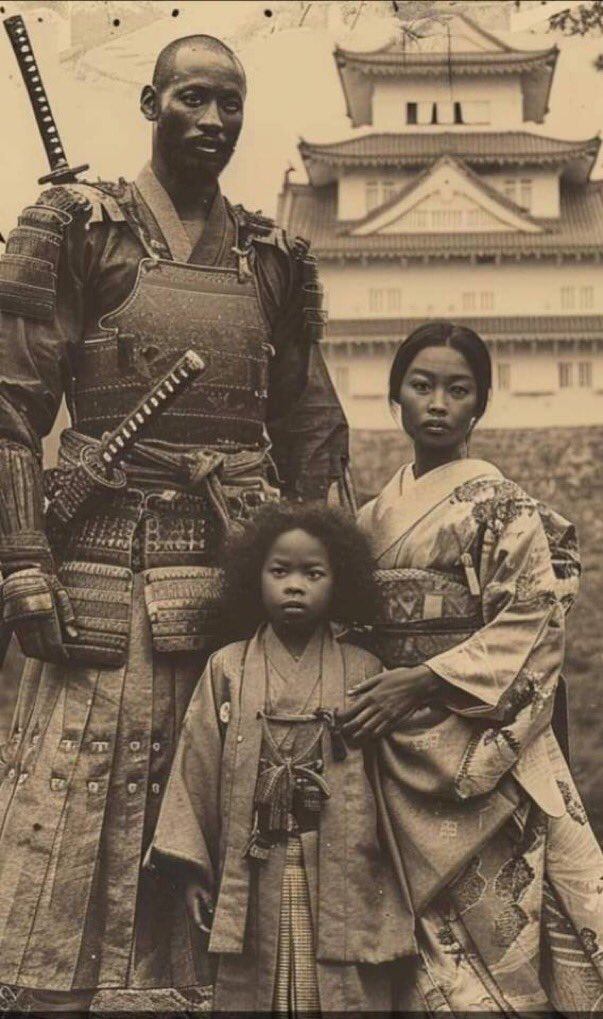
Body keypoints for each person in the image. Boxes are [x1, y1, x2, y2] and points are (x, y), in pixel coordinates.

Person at [0, 34, 351, 1013]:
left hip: (237, 587)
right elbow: (10, 404)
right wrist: (22, 557)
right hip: (99, 573)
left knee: (223, 822)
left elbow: (310, 425)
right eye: (193, 97)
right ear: (151, 103)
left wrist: (328, 576)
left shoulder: (273, 258)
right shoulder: (80, 231)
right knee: (70, 819)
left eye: (230, 103)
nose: (213, 120)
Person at [344, 321, 603, 1014]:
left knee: (506, 930)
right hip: (395, 747)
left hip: (481, 737)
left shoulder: (504, 506)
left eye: (457, 390)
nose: (437, 403)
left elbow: (534, 620)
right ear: (395, 396)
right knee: (420, 944)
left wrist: (424, 680)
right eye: (421, 385)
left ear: (480, 404)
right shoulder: (368, 519)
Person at [150, 504, 413, 1013]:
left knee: (340, 990)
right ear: (254, 577)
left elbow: (392, 781)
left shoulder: (365, 670)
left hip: (344, 864)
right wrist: (194, 873)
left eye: (313, 574)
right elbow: (196, 768)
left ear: (340, 581)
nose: (295, 586)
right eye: (280, 571)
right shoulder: (227, 668)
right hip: (255, 859)